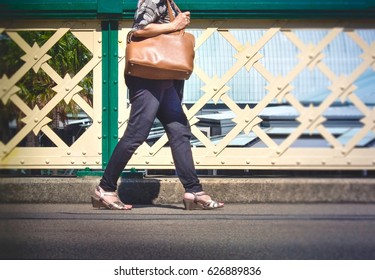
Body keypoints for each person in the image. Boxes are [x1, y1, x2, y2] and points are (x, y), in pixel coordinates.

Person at [91, 0, 224, 210]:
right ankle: (105, 189)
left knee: (180, 131)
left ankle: (194, 190)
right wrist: (174, 25)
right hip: (147, 77)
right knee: (137, 134)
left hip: (165, 79)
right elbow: (140, 28)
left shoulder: (170, 3)